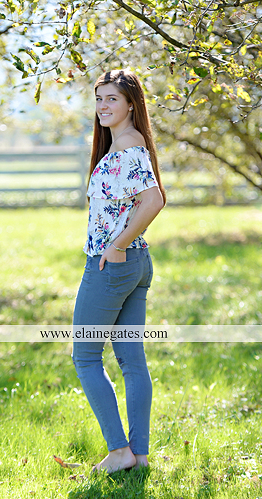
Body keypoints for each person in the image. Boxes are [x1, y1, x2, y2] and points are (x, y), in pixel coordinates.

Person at [72, 69, 166, 473]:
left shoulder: (127, 147)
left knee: (86, 356)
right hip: (134, 265)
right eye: (99, 99)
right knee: (131, 359)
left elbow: (154, 200)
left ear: (131, 104)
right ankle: (138, 455)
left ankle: (119, 450)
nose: (103, 107)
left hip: (113, 266)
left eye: (112, 99)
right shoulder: (129, 146)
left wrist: (116, 246)